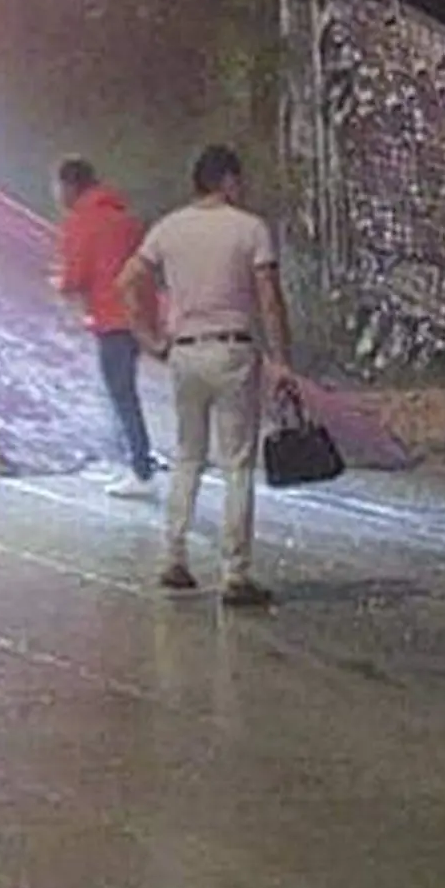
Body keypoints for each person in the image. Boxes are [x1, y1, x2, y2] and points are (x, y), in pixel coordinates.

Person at [117, 145, 294, 607]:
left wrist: (148, 336)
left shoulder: (169, 228)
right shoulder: (249, 228)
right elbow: (270, 298)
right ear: (229, 180)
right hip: (233, 350)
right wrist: (281, 360)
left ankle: (174, 558)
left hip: (184, 352)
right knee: (237, 464)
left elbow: (127, 279)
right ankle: (235, 574)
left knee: (187, 456)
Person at [51, 157, 156, 499]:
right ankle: (132, 462)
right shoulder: (125, 218)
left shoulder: (81, 221)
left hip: (111, 319)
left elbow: (77, 274)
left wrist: (60, 284)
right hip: (136, 316)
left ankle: (139, 469)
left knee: (121, 394)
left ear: (69, 186)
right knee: (122, 391)